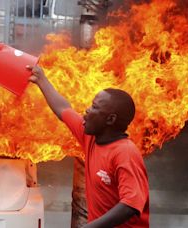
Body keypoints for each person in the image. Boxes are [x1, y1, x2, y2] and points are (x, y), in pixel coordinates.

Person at [27, 65, 149, 227]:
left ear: (110, 119)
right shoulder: (90, 137)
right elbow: (63, 109)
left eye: (94, 107)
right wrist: (41, 79)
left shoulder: (125, 153)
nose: (87, 110)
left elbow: (130, 205)